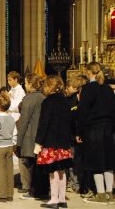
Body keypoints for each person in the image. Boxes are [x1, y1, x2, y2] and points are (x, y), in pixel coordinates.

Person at [76, 62, 115, 205]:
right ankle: (110, 194)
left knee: (96, 161)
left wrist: (78, 131)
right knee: (108, 160)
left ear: (88, 72)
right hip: (108, 128)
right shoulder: (108, 89)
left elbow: (82, 112)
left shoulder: (87, 89)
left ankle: (100, 194)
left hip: (93, 129)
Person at [34, 75, 73, 209]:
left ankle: (54, 199)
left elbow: (44, 124)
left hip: (51, 142)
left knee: (53, 171)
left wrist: (38, 142)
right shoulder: (65, 101)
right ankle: (62, 199)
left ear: (49, 86)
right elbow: (70, 123)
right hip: (63, 142)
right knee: (62, 171)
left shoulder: (48, 102)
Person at [15, 73, 47, 199]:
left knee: (25, 162)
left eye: (26, 83)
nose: (25, 86)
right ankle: (41, 190)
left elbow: (24, 122)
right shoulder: (44, 97)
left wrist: (18, 142)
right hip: (41, 136)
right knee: (38, 165)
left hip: (29, 137)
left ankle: (28, 188)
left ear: (30, 84)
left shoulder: (29, 98)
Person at [0, 93, 17, 202]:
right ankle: (10, 194)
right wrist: (13, 143)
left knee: (0, 171)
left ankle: (1, 195)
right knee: (9, 170)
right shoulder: (11, 119)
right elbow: (15, 133)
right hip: (9, 146)